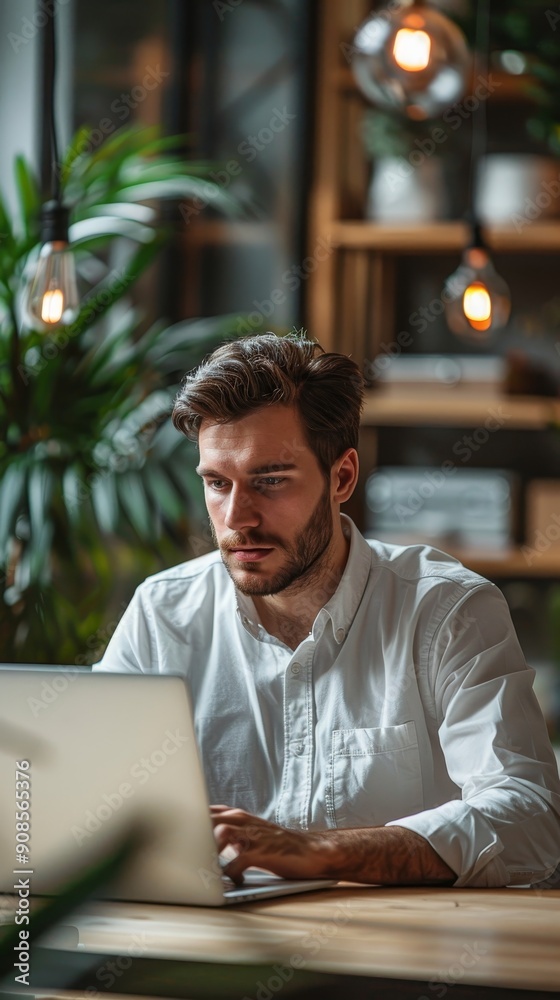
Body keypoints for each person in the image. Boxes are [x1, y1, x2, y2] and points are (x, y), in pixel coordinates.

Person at [97, 332, 560, 888]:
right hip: (215, 950)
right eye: (217, 484)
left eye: (270, 481)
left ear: (341, 477)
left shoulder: (445, 609)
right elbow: (94, 807)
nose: (237, 517)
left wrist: (320, 852)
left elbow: (531, 819)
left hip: (403, 959)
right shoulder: (161, 615)